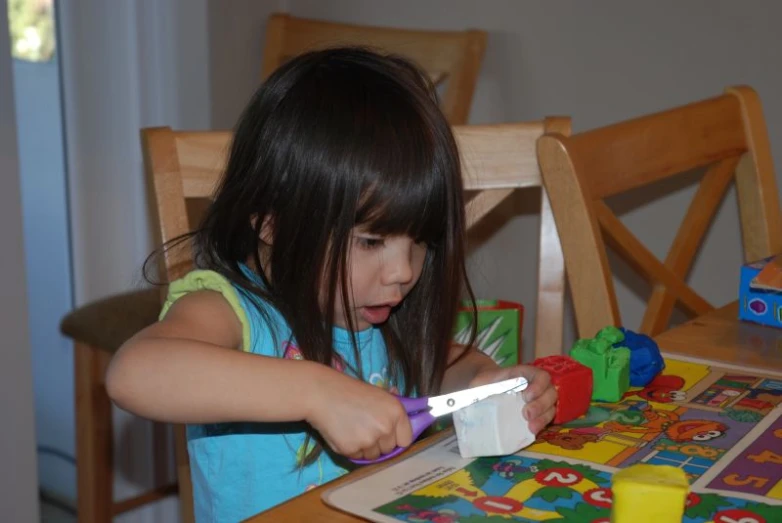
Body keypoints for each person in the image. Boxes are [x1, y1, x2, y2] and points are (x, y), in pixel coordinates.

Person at [106, 47, 557, 521]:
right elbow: (134, 372)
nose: (403, 271)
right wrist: (315, 391)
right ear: (272, 225)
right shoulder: (230, 310)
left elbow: (443, 361)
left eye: (419, 241)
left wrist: (481, 383)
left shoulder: (382, 310)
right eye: (371, 241)